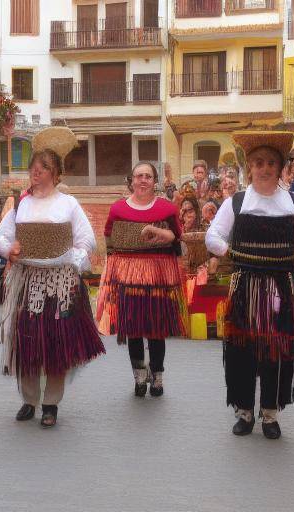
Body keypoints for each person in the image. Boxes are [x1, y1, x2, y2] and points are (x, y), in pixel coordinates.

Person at [206, 132, 294, 439]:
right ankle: (244, 411)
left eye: (270, 163)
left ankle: (270, 413)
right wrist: (229, 251)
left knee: (277, 350)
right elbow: (212, 237)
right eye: (258, 163)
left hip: (282, 286)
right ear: (249, 167)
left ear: (280, 167)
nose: (264, 168)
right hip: (245, 288)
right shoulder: (237, 202)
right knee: (243, 350)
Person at [0, 127, 105, 427]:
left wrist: (72, 258)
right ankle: (28, 399)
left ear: (55, 175)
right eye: (34, 168)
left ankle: (51, 403)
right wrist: (10, 250)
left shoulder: (68, 204)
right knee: (27, 340)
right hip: (27, 279)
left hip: (59, 282)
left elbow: (87, 241)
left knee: (55, 343)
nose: (36, 173)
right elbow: (0, 238)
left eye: (43, 169)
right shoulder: (20, 205)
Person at [97, 161, 185, 398]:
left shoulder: (167, 209)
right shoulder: (117, 209)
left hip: (158, 276)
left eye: (148, 176)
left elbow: (178, 237)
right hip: (128, 276)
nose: (143, 180)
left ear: (154, 182)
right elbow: (109, 239)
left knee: (156, 328)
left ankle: (157, 376)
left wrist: (160, 234)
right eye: (139, 176)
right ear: (132, 181)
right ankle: (138, 375)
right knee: (133, 327)